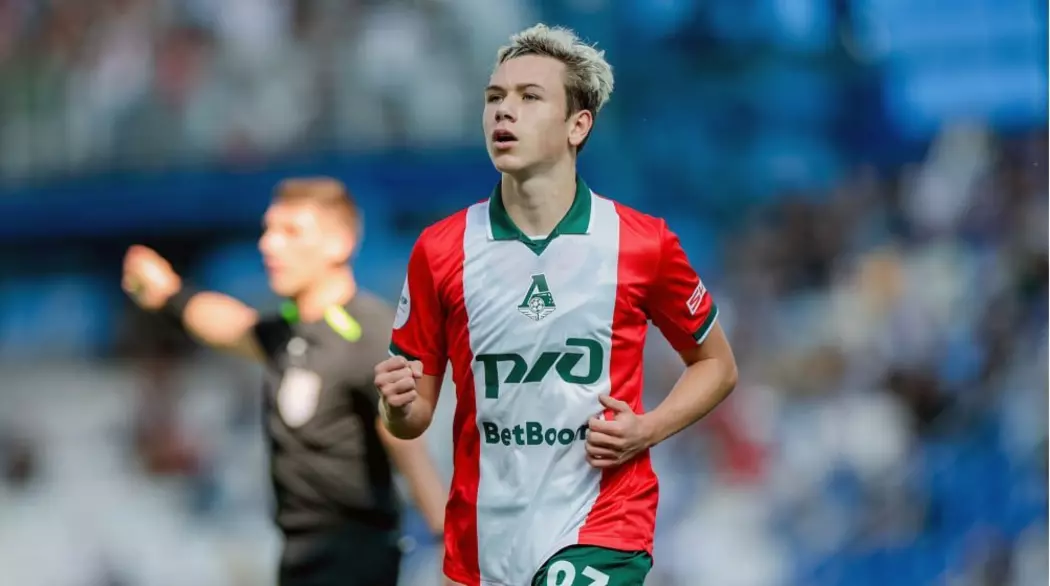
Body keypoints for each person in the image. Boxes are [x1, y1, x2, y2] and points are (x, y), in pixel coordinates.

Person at [373, 24, 739, 586]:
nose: (504, 111)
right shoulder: (440, 249)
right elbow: (412, 416)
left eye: (529, 97)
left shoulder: (641, 243)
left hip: (604, 526)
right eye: (494, 97)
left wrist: (648, 429)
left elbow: (716, 365)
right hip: (483, 539)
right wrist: (397, 405)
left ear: (577, 125)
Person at [123, 177, 446, 586]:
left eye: (291, 231)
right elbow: (230, 324)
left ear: (339, 244)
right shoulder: (289, 333)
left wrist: (446, 542)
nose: (270, 244)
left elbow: (406, 445)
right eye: (268, 230)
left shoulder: (368, 333)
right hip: (300, 563)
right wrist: (169, 293)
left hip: (354, 565)